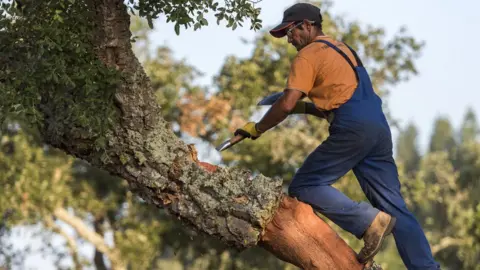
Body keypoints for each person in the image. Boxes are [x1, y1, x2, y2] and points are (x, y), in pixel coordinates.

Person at [233, 2, 440, 269]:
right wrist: (305, 107)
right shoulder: (344, 50)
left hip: (353, 127)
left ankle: (367, 221)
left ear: (307, 26)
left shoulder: (307, 55)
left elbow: (285, 104)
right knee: (395, 208)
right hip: (377, 127)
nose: (289, 39)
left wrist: (257, 128)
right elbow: (341, 100)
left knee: (304, 185)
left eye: (291, 32)